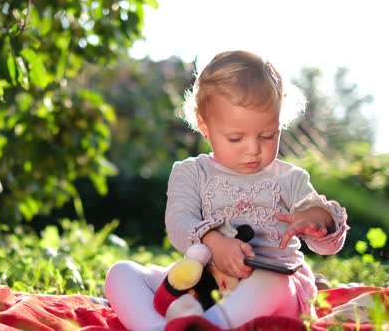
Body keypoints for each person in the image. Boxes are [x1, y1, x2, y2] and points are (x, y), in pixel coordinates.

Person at [103, 50, 349, 330]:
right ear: (204, 125)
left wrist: (321, 221)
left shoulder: (291, 179)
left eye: (268, 135)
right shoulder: (191, 172)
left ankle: (207, 325)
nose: (253, 149)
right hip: (204, 284)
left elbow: (327, 245)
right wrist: (213, 241)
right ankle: (157, 327)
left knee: (276, 282)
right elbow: (178, 222)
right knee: (121, 273)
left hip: (268, 292)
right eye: (236, 138)